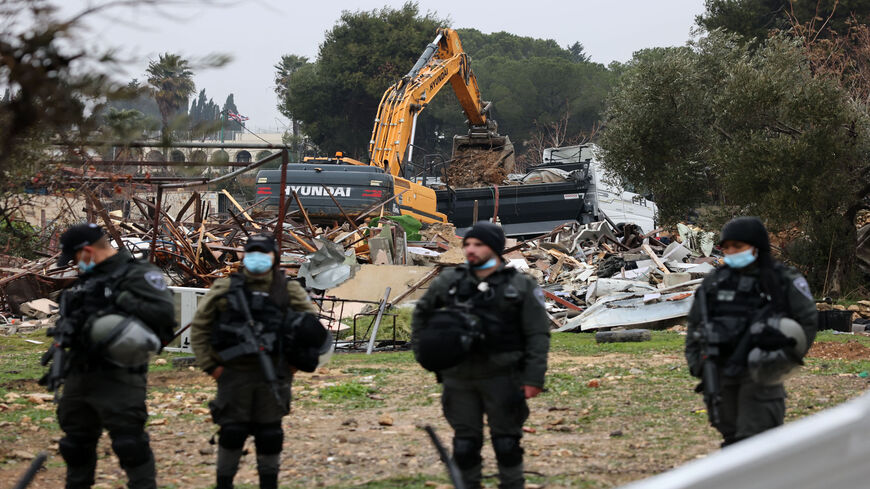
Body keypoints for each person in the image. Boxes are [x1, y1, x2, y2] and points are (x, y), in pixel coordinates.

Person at [411, 221, 550, 489]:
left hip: (504, 376)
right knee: (464, 443)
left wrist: (533, 378)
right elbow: (421, 315)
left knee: (507, 441)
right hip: (458, 377)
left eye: (479, 244)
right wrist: (425, 352)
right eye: (467, 244)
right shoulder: (450, 281)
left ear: (495, 249)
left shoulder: (520, 285)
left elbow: (538, 334)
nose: (470, 250)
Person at [48, 223, 176, 489]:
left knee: (129, 444)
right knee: (75, 445)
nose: (74, 264)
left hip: (119, 374)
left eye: (74, 258)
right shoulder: (87, 280)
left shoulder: (137, 273)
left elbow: (164, 317)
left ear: (86, 251)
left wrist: (116, 299)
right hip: (79, 372)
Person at [191, 233, 320, 489]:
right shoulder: (225, 287)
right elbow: (200, 328)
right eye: (253, 253)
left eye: (264, 253)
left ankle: (268, 483)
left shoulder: (288, 289)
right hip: (233, 373)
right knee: (231, 431)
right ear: (245, 256)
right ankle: (224, 482)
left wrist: (295, 364)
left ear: (274, 257)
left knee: (270, 433)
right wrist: (211, 366)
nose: (258, 258)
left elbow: (310, 329)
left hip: (274, 373)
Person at [685, 217, 818, 446]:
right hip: (719, 370)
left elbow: (807, 321)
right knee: (730, 434)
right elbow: (695, 326)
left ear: (756, 246)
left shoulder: (781, 279)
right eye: (726, 248)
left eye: (738, 246)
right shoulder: (715, 283)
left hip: (761, 372)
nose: (731, 252)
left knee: (756, 441)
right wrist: (698, 364)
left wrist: (782, 356)